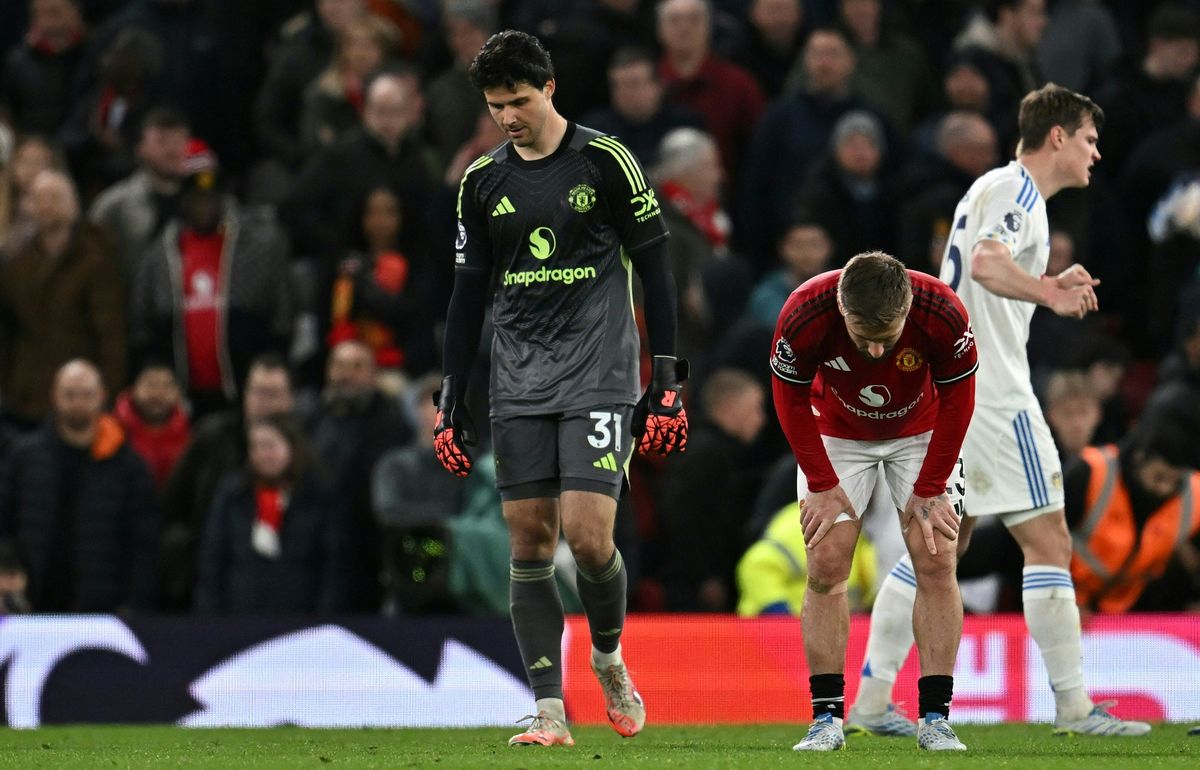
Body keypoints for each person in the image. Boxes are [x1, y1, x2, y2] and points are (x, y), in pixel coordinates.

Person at [849, 84, 1150, 738]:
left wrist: (1044, 286)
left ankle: (871, 701)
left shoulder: (993, 190)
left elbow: (983, 268)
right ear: (1059, 137)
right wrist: (1048, 291)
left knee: (937, 547)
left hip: (948, 383)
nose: (1098, 154)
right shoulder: (1018, 194)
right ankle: (1073, 708)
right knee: (1046, 540)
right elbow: (987, 265)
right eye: (1091, 140)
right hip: (991, 392)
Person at [434, 30, 686, 748]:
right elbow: (466, 296)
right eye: (494, 106)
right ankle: (548, 711)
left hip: (601, 373)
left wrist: (665, 379)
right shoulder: (481, 182)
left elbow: (657, 270)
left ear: (549, 89)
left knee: (588, 535)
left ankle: (607, 655)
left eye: (517, 101)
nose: (507, 117)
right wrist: (453, 394)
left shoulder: (605, 161)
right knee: (529, 541)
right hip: (517, 380)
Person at [771, 251, 978, 752]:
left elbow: (959, 398)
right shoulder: (804, 312)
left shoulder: (943, 311)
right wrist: (821, 481)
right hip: (836, 432)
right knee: (824, 563)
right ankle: (826, 719)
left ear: (908, 308)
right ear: (842, 309)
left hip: (922, 430)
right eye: (864, 338)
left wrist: (930, 488)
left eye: (888, 338)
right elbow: (788, 396)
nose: (878, 351)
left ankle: (936, 718)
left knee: (936, 558)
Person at [0, 360, 159, 612]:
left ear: (103, 397)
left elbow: (143, 544)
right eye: (69, 394)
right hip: (31, 608)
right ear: (53, 396)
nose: (78, 403)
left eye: (87, 394)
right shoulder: (24, 458)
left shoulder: (128, 466)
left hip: (100, 613)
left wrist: (134, 605)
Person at [195, 412, 348, 615]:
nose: (262, 454)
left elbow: (333, 565)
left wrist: (325, 618)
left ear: (292, 447)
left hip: (301, 618)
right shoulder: (233, 494)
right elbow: (212, 559)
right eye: (256, 447)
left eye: (270, 446)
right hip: (239, 616)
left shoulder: (318, 495)